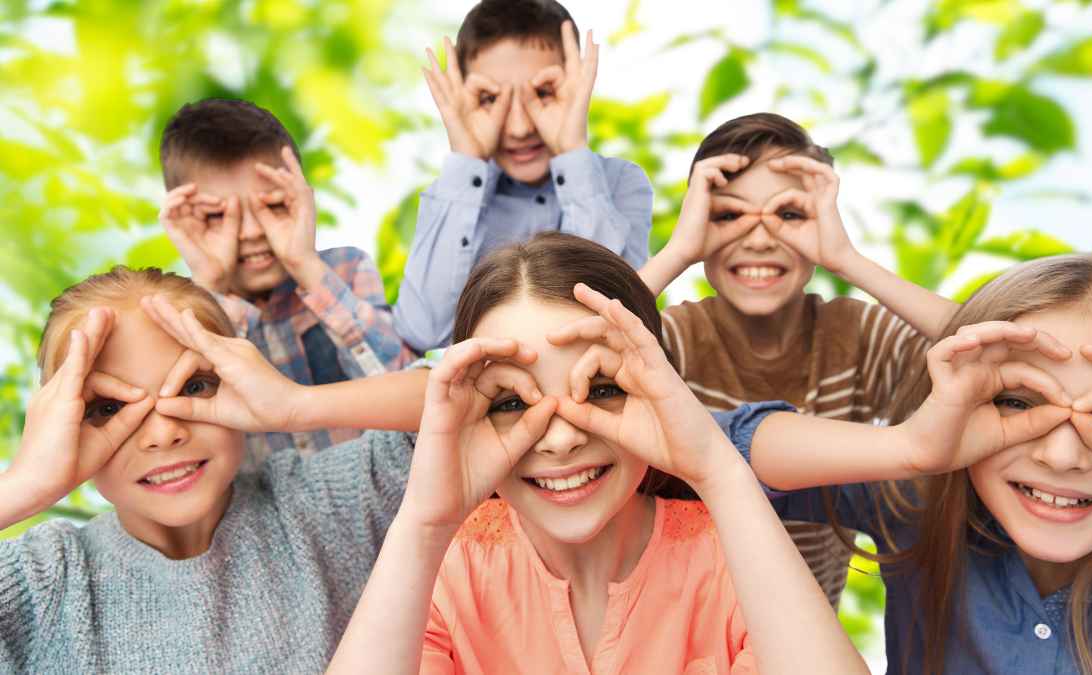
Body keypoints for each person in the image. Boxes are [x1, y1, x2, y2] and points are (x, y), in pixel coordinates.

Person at [329, 233, 868, 674]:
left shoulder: (730, 554)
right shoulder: (449, 564)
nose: (561, 438)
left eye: (603, 388)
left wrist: (718, 469)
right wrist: (424, 522)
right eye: (513, 401)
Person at [723, 253, 1092, 674]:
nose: (1060, 457)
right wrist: (907, 448)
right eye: (1017, 402)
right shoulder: (921, 498)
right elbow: (693, 447)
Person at [0, 267, 425, 672]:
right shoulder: (45, 581)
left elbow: (479, 393)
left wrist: (298, 405)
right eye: (108, 409)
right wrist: (26, 484)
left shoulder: (322, 505)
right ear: (60, 427)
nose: (163, 434)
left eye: (194, 386)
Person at [637, 112, 956, 605]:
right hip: (683, 624)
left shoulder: (855, 336)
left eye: (788, 215)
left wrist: (847, 259)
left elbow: (999, 348)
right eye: (728, 216)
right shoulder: (675, 339)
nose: (759, 238)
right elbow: (568, 350)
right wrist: (678, 251)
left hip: (806, 631)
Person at [159, 98, 414, 466]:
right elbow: (181, 431)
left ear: (303, 199)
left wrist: (305, 265)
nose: (250, 232)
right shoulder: (178, 317)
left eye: (274, 206)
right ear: (182, 220)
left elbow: (408, 387)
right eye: (217, 216)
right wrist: (210, 286)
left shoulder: (345, 270)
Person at [396, 0, 653, 353]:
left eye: (543, 92)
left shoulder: (621, 181)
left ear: (578, 85)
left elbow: (604, 320)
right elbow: (423, 332)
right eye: (489, 98)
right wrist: (466, 157)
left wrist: (571, 150)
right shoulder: (453, 195)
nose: (518, 126)